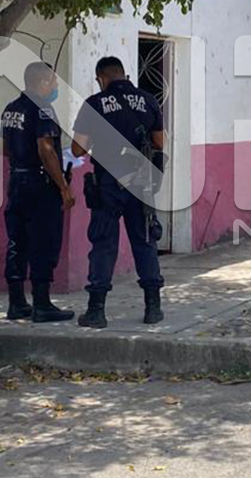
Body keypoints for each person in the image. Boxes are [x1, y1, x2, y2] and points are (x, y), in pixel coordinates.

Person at [70, 56, 165, 329]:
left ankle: (96, 311)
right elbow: (159, 142)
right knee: (145, 242)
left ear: (102, 78)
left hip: (108, 184)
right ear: (125, 75)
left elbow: (77, 149)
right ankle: (153, 308)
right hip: (140, 183)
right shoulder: (148, 100)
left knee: (103, 245)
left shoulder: (95, 103)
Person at [0, 62, 75, 323]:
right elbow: (46, 148)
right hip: (40, 184)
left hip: (16, 180)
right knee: (44, 241)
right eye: (53, 81)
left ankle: (17, 303)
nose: (55, 86)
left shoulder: (11, 108)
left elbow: (4, 148)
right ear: (42, 82)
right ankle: (42, 304)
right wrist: (63, 187)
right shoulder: (43, 108)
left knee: (16, 242)